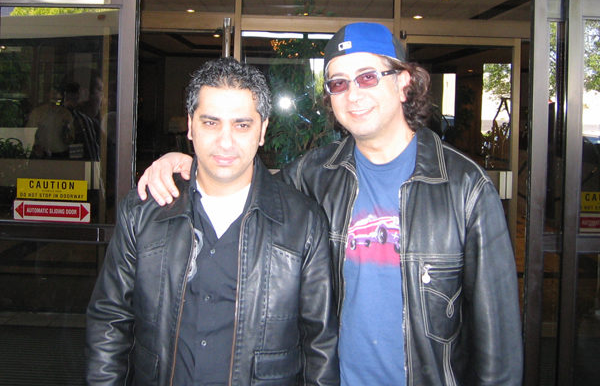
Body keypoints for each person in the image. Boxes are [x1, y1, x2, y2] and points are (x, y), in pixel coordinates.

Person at [138, 23, 523, 386]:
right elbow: (242, 188)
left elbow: (499, 342)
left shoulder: (465, 188)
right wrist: (188, 164)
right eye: (338, 83)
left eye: (367, 77)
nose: (352, 94)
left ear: (405, 83)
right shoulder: (313, 176)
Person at [87, 57, 339, 386]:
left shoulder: (303, 223)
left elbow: (319, 345)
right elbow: (110, 321)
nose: (225, 141)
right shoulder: (143, 212)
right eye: (210, 123)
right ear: (190, 126)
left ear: (262, 131)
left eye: (242, 125)